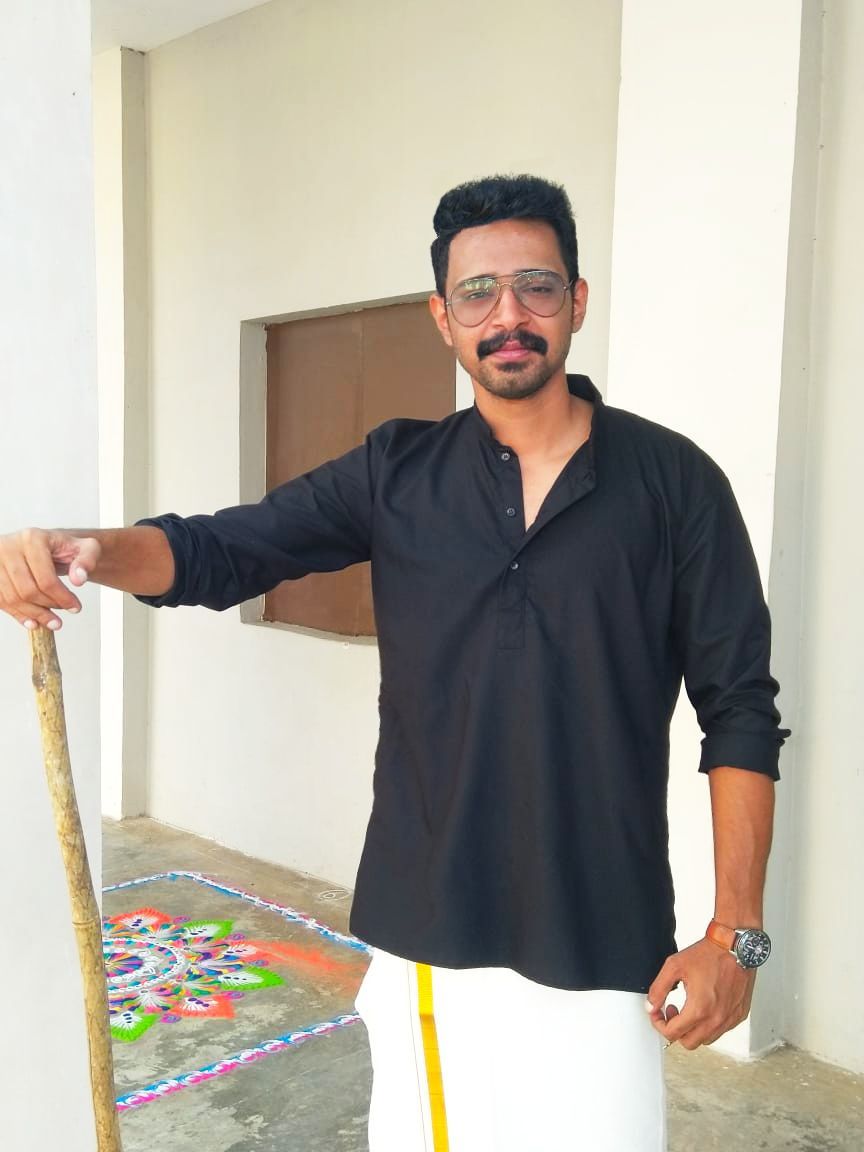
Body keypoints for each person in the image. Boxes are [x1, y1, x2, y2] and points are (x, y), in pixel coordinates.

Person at [0, 174, 787, 1151]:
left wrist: (734, 935)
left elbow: (739, 709)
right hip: (426, 937)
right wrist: (85, 550)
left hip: (603, 937)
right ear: (442, 318)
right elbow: (223, 549)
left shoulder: (674, 485)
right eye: (477, 292)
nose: (508, 315)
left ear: (578, 301)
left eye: (537, 286)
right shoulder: (397, 473)